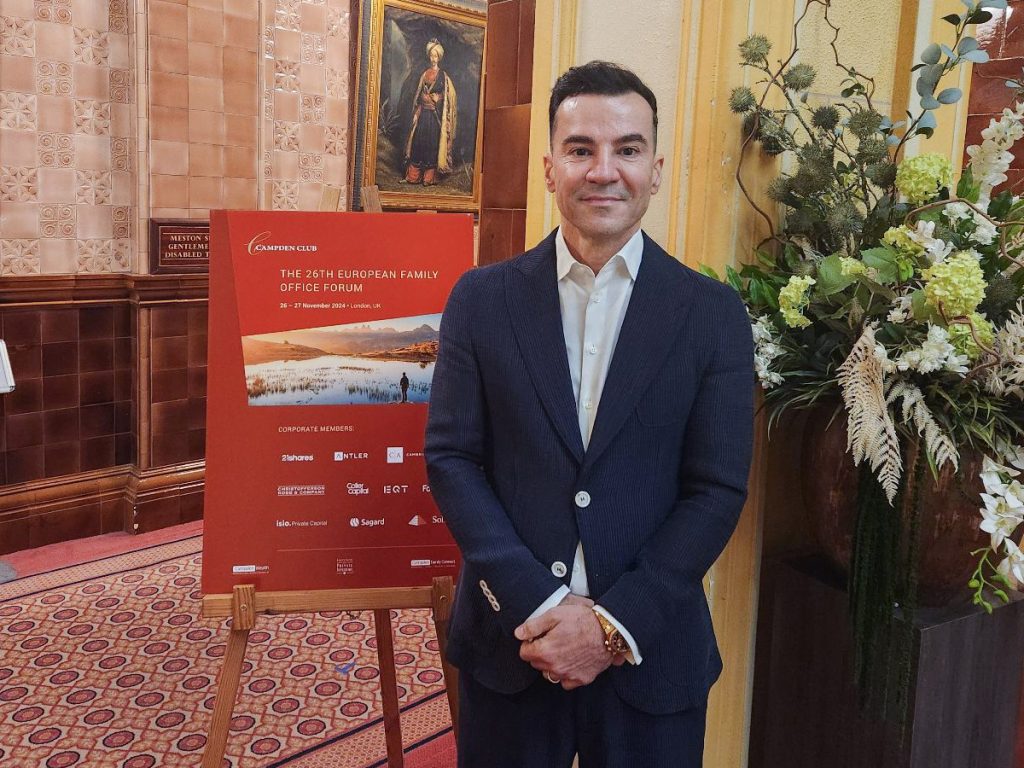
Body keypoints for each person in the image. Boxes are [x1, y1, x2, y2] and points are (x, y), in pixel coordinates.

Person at [425, 61, 754, 767]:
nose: (604, 171)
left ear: (656, 170)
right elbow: (453, 459)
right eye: (581, 149)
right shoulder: (480, 301)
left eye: (627, 149)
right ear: (550, 168)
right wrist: (540, 605)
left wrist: (611, 626)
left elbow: (716, 488)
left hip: (649, 649)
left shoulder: (712, 314)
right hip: (512, 645)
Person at [402, 38, 457, 186]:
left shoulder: (443, 76)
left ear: (439, 57)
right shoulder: (425, 74)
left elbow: (449, 97)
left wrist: (438, 98)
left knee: (432, 145)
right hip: (423, 116)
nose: (433, 59)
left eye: (436, 56)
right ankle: (413, 176)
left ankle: (429, 178)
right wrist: (418, 110)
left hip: (434, 117)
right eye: (431, 56)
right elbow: (418, 95)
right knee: (418, 144)